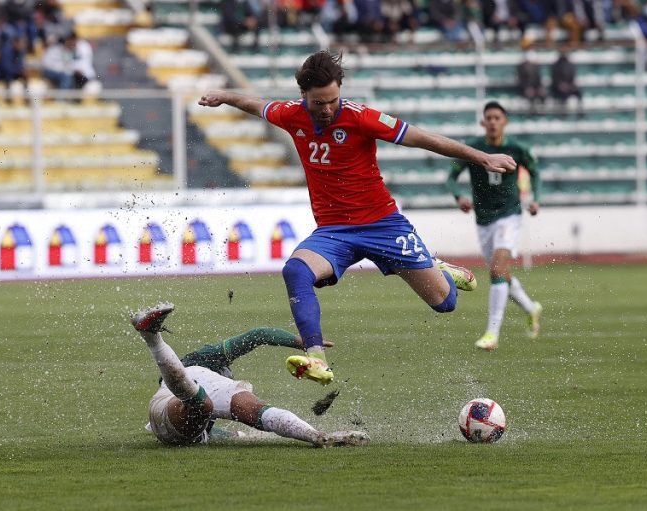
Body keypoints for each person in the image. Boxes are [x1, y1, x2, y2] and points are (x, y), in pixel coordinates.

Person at [199, 51, 517, 386]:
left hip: (383, 224)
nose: (327, 109)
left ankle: (437, 266)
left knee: (445, 303)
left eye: (333, 100)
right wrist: (224, 97)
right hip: (334, 232)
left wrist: (480, 157)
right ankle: (316, 358)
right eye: (319, 103)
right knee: (295, 270)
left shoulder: (362, 117)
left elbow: (424, 139)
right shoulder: (291, 114)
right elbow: (255, 104)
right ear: (303, 95)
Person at [131, 303, 369, 447]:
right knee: (202, 404)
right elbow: (259, 334)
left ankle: (319, 437)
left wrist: (239, 435)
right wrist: (308, 343)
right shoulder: (203, 359)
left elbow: (215, 433)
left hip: (187, 424)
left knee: (254, 410)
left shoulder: (215, 389)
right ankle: (152, 337)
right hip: (166, 410)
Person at [445, 101, 542, 351]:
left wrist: (535, 199)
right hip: (483, 220)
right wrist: (459, 196)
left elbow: (535, 172)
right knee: (502, 274)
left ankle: (492, 334)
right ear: (482, 122)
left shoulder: (517, 149)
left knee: (497, 270)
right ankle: (531, 309)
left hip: (510, 215)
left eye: (497, 117)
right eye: (489, 117)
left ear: (505, 121)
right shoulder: (473, 149)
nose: (493, 122)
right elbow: (451, 177)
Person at [550, 49, 583, 116]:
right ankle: (563, 114)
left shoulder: (571, 65)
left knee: (579, 92)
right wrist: (560, 85)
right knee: (563, 93)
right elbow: (554, 78)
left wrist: (571, 85)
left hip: (569, 86)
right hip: (558, 87)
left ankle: (580, 112)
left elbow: (572, 77)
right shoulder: (555, 65)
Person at [516, 42, 546, 113]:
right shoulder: (522, 67)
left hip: (535, 86)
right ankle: (531, 114)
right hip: (525, 87)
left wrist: (539, 88)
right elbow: (521, 80)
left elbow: (538, 79)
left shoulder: (536, 67)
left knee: (543, 93)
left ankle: (541, 112)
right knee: (530, 94)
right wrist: (526, 88)